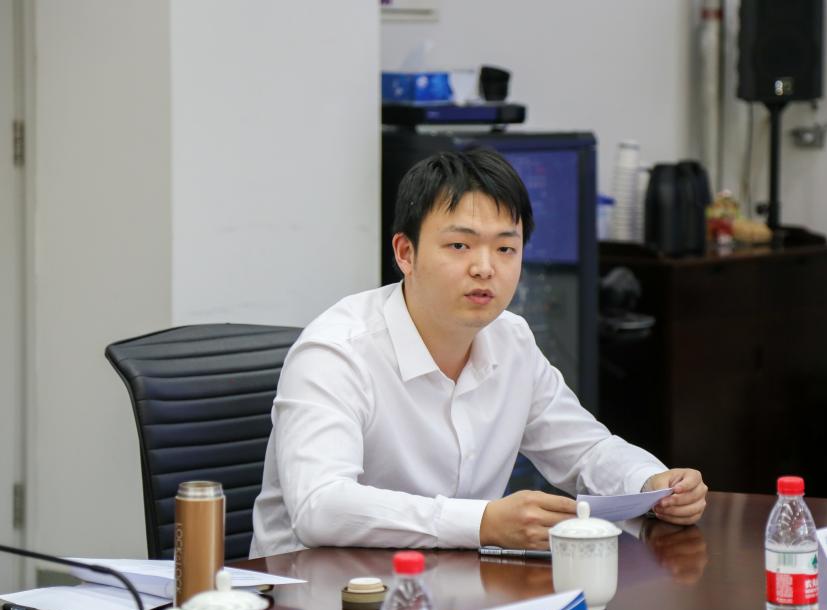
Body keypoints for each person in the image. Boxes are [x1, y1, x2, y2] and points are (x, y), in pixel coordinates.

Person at [250, 148, 707, 558]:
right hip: (317, 599)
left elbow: (585, 450)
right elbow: (321, 505)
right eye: (459, 245)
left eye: (506, 248)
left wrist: (651, 483)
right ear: (405, 253)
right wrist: (483, 523)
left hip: (450, 590)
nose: (485, 268)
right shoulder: (336, 352)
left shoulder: (512, 341)